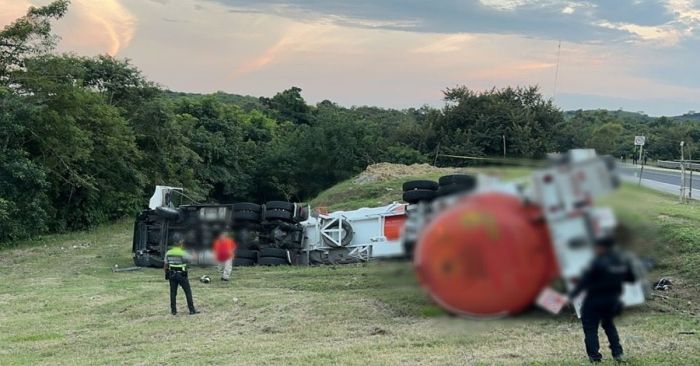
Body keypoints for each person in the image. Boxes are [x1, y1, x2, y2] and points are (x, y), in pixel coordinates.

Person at [568, 237, 636, 363]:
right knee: (609, 326)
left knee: (590, 330)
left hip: (593, 302)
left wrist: (570, 296)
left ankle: (595, 358)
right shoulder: (622, 262)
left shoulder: (597, 263)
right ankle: (618, 354)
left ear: (602, 248)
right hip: (612, 302)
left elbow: (584, 282)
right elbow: (631, 279)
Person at [164, 234, 199, 315]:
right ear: (180, 243)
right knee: (187, 292)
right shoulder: (183, 253)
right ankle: (192, 310)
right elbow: (194, 258)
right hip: (182, 275)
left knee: (173, 293)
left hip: (171, 274)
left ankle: (173, 311)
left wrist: (166, 273)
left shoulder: (168, 253)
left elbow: (165, 265)